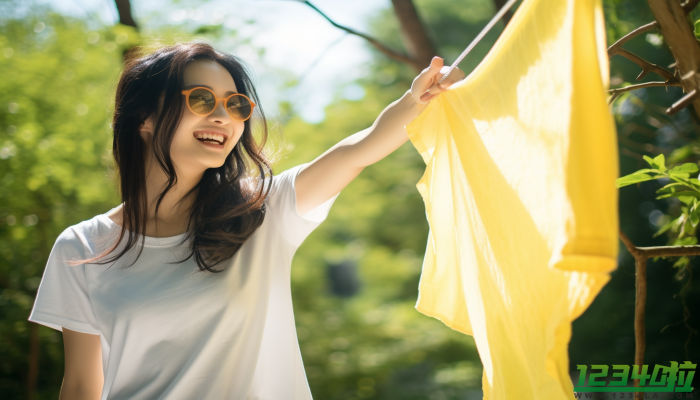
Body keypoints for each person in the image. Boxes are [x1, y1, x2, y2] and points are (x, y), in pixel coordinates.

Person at [27, 41, 465, 400]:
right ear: (144, 117)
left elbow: (360, 149)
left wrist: (415, 100)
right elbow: (83, 385)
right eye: (201, 99)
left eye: (236, 105)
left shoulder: (264, 212)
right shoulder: (81, 246)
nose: (223, 116)